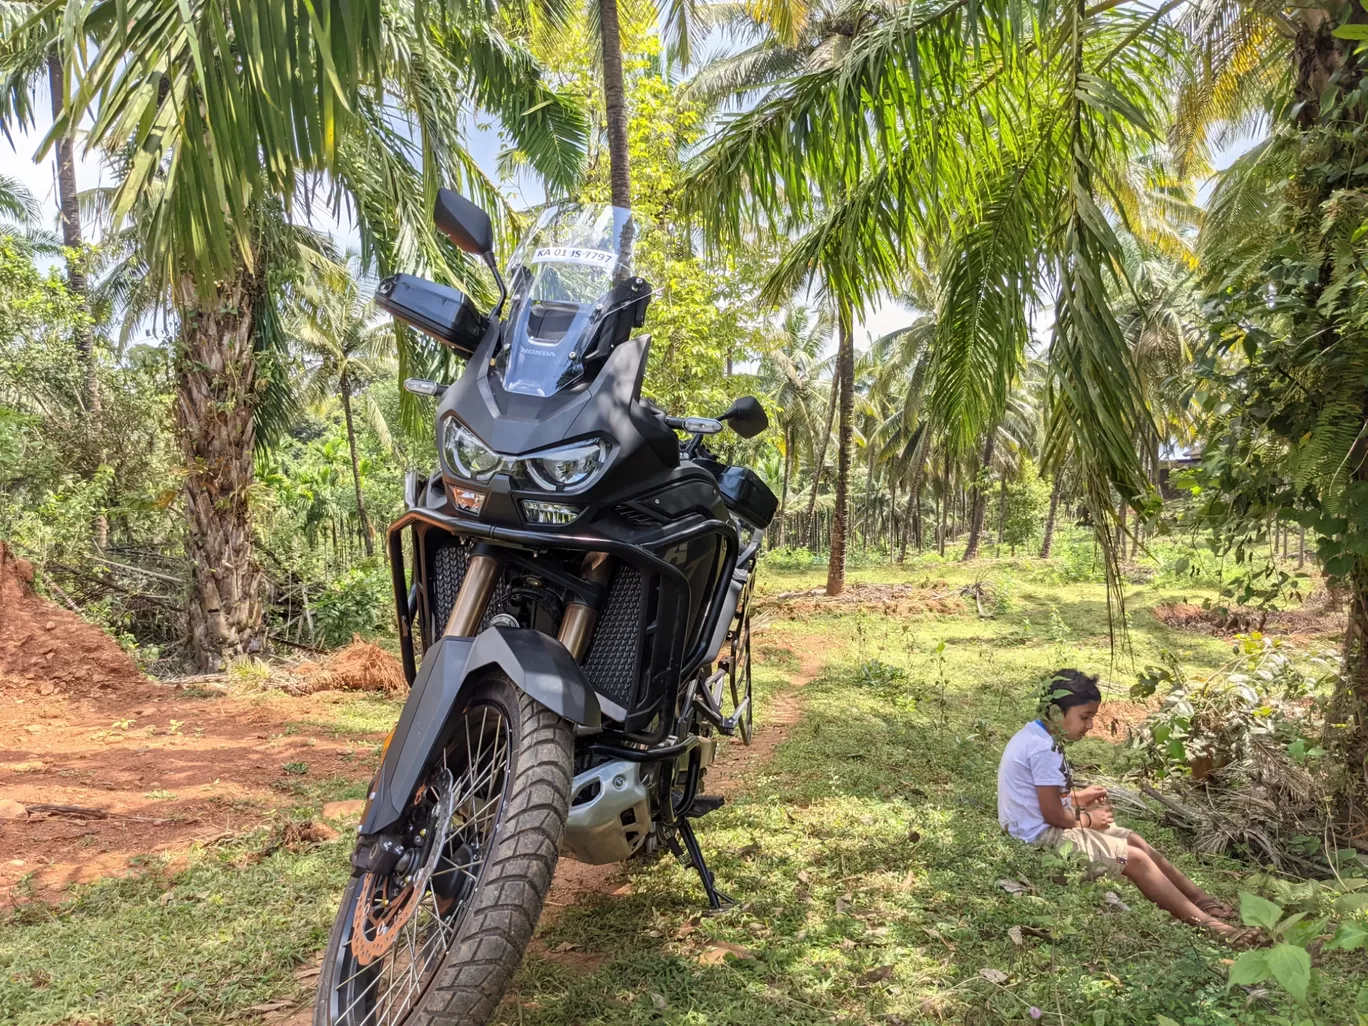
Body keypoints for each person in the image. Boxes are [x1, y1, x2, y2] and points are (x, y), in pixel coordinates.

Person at [997, 669, 1259, 947]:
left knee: (1132, 839)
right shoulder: (1043, 749)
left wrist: (1078, 797)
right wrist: (1088, 819)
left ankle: (1199, 899)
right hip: (1037, 841)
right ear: (1055, 711)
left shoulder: (1036, 736)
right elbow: (1052, 815)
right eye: (1084, 717)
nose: (1090, 725)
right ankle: (1213, 928)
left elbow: (1039, 798)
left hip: (1035, 828)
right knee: (1136, 859)